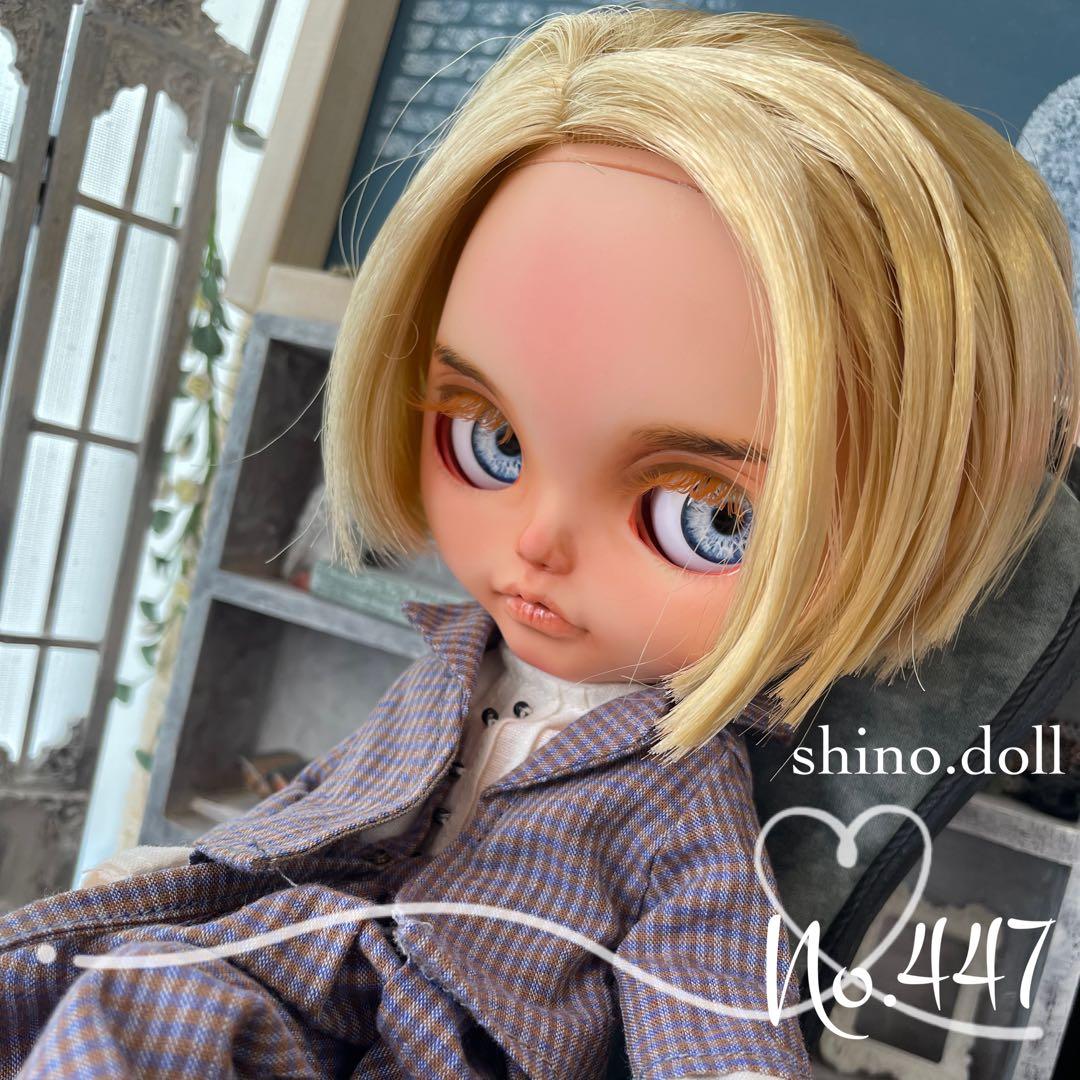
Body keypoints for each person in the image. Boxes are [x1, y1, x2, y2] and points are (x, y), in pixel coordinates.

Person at [3, 6, 1076, 1078]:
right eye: (493, 441)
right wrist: (194, 863)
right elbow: (335, 792)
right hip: (296, 959)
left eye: (707, 515)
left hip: (452, 1039)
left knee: (140, 1014)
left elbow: (702, 974)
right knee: (98, 989)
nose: (540, 544)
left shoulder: (673, 785)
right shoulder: (453, 661)